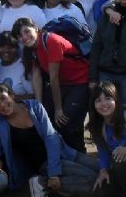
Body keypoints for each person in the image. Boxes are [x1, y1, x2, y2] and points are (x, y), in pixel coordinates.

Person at [0, 83, 98, 197]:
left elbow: (51, 137)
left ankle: (51, 183)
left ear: (11, 95)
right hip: (43, 164)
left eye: (3, 98)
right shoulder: (0, 125)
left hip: (64, 153)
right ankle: (41, 184)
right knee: (93, 178)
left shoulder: (35, 106)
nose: (2, 105)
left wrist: (54, 172)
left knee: (102, 169)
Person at [15, 17, 90, 152]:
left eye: (27, 31)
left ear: (36, 28)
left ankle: (79, 155)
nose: (24, 37)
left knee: (65, 120)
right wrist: (40, 104)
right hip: (63, 84)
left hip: (80, 81)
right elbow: (37, 76)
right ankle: (62, 155)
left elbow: (53, 77)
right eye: (20, 35)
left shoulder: (51, 40)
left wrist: (58, 109)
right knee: (49, 119)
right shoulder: (32, 49)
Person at [0, 32, 37, 100]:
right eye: (2, 46)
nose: (6, 50)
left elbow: (33, 96)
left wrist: (11, 99)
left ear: (17, 48)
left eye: (11, 47)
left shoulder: (23, 66)